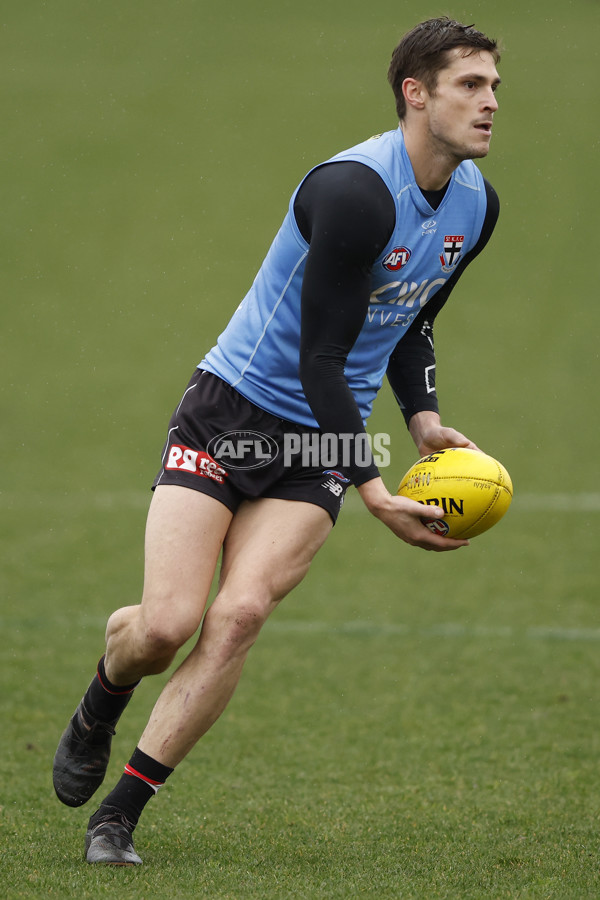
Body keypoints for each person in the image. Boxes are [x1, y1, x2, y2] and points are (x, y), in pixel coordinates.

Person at [53, 17, 502, 865]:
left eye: (493, 89)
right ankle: (101, 699)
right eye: (469, 86)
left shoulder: (476, 205)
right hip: (232, 414)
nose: (488, 105)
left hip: (316, 441)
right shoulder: (353, 192)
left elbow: (410, 319)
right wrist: (372, 487)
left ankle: (119, 815)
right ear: (416, 93)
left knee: (240, 613)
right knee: (165, 625)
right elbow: (322, 353)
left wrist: (424, 420)